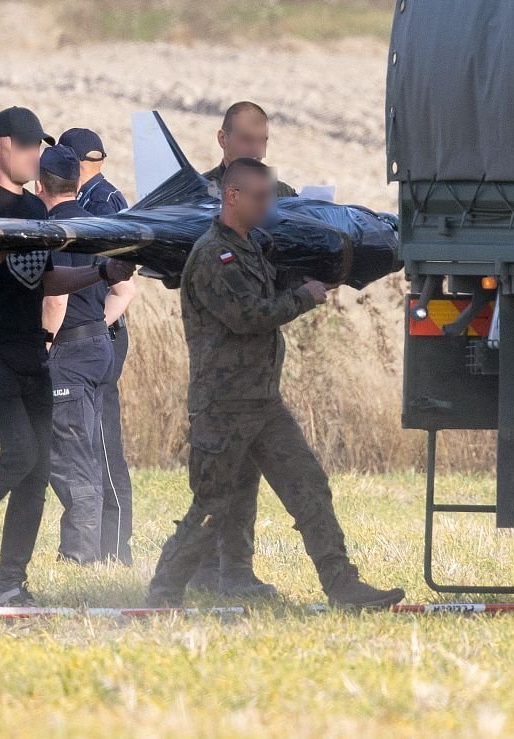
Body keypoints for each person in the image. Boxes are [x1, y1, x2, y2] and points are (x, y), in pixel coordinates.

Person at [147, 158, 404, 610]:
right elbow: (249, 316)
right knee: (212, 507)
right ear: (232, 197)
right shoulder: (214, 256)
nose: (270, 206)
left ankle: (343, 586)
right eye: (261, 197)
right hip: (223, 406)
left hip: (263, 402)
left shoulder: (251, 248)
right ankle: (163, 593)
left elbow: (267, 294)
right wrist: (304, 298)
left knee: (309, 488)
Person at [0, 106, 134, 607]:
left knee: (36, 472)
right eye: (25, 146)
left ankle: (11, 585)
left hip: (31, 349)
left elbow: (46, 279)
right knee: (21, 452)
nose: (34, 155)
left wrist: (101, 274)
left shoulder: (39, 211)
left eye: (38, 146)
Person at [188, 102, 293, 598]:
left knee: (246, 478)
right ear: (223, 139)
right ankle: (195, 573)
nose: (256, 149)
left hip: (257, 371)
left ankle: (236, 572)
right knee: (214, 482)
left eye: (262, 141)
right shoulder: (194, 198)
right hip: (218, 370)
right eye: (247, 139)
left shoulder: (278, 197)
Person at [36, 142, 124, 564]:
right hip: (97, 345)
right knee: (86, 450)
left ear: (40, 185)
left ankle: (79, 556)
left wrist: (45, 344)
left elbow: (55, 298)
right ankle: (92, 549)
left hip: (67, 350)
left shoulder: (52, 230)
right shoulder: (97, 226)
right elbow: (125, 289)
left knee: (70, 457)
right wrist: (97, 327)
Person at [61, 127, 136, 565]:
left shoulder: (103, 203)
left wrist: (93, 326)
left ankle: (115, 548)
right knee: (83, 443)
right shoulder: (87, 199)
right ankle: (94, 545)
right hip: (91, 332)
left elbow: (122, 281)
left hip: (100, 333)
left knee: (105, 445)